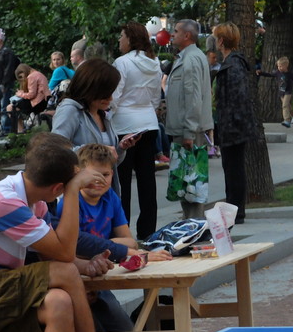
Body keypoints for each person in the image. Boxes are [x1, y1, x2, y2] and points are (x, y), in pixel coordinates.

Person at [0, 132, 120, 332]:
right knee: (65, 271)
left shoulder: (36, 203)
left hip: (6, 287)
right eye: (66, 187)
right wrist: (74, 191)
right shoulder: (4, 201)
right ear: (58, 190)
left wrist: (87, 266)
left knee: (59, 302)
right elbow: (64, 256)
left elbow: (53, 255)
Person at [55, 144, 171, 332]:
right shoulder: (70, 203)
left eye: (106, 174)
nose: (100, 180)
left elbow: (129, 241)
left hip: (102, 273)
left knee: (118, 324)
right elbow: (73, 246)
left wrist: (103, 246)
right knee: (108, 324)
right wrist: (114, 248)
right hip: (79, 276)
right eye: (93, 175)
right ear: (78, 174)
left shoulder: (112, 199)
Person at [52, 58, 137, 195]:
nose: (110, 98)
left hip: (104, 197)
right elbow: (55, 151)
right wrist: (98, 152)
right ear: (90, 88)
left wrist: (120, 148)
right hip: (79, 198)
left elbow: (108, 162)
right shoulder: (70, 110)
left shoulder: (102, 114)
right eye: (105, 93)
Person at [111, 21, 163, 240]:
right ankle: (148, 230)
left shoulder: (122, 63)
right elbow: (155, 98)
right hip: (148, 123)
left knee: (122, 181)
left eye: (122, 36)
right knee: (147, 179)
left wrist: (108, 115)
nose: (119, 40)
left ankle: (123, 230)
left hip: (125, 125)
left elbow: (115, 96)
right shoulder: (154, 61)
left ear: (130, 39)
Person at [166, 19, 214, 219]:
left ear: (187, 35)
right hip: (186, 129)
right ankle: (191, 224)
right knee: (185, 185)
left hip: (188, 132)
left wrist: (189, 130)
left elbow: (193, 97)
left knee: (191, 185)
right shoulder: (188, 57)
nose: (172, 34)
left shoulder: (191, 59)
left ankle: (194, 226)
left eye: (176, 31)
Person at [212, 22, 259, 225]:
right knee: (232, 169)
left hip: (233, 127)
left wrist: (230, 123)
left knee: (234, 169)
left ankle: (236, 211)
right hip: (232, 125)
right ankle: (234, 209)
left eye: (216, 38)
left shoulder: (233, 65)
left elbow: (237, 98)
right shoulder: (232, 63)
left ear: (221, 41)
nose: (214, 42)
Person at [259, 56, 293, 128]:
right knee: (288, 107)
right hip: (281, 93)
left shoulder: (289, 74)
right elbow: (270, 75)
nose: (279, 68)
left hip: (288, 92)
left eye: (281, 66)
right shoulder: (277, 73)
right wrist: (261, 73)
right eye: (278, 66)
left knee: (284, 106)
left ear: (286, 66)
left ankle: (287, 120)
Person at [10, 64, 51, 131]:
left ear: (23, 71)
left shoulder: (31, 77)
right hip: (43, 101)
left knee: (11, 107)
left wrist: (20, 94)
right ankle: (25, 125)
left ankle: (20, 130)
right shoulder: (39, 74)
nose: (22, 79)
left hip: (37, 103)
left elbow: (31, 95)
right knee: (14, 107)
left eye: (20, 76)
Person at [0, 28, 20, 136]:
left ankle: (5, 129)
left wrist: (4, 84)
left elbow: (9, 69)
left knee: (4, 105)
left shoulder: (7, 52)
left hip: (4, 84)